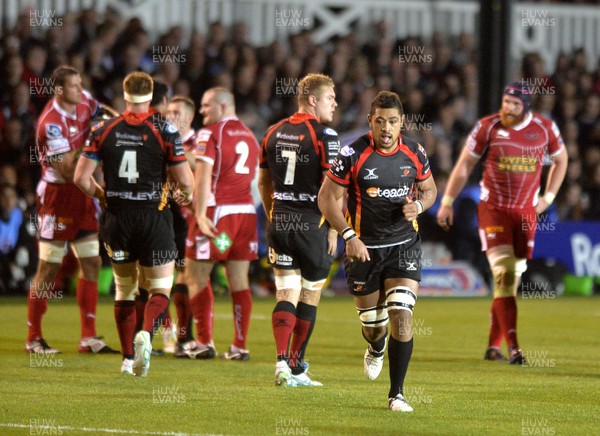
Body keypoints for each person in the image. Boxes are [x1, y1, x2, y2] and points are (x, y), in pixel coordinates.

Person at [318, 91, 437, 411]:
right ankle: (376, 347)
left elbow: (430, 190)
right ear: (370, 120)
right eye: (380, 121)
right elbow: (326, 199)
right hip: (363, 250)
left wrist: (419, 206)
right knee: (374, 326)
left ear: (402, 124)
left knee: (402, 314)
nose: (386, 128)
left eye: (393, 122)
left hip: (403, 246)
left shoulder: (415, 152)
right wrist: (348, 235)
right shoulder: (351, 154)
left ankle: (396, 394)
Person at [436, 82, 568, 364]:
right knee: (505, 276)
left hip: (524, 215)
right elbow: (464, 165)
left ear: (526, 108)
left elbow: (562, 159)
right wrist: (447, 201)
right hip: (494, 211)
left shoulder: (544, 128)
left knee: (507, 283)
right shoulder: (487, 127)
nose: (507, 107)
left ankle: (492, 346)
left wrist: (548, 197)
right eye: (505, 101)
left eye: (514, 104)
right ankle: (515, 348)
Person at [74, 71, 194, 376]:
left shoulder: (103, 129)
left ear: (124, 94)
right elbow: (185, 179)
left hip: (117, 218)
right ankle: (147, 334)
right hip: (153, 216)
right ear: (151, 94)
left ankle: (127, 359)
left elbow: (80, 178)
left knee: (123, 289)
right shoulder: (164, 129)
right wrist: (185, 193)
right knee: (160, 288)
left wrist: (101, 195)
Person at [25, 65, 118, 355]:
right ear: (60, 90)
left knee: (91, 262)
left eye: (81, 84)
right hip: (58, 196)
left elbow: (106, 114)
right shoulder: (50, 124)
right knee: (49, 268)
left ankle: (88, 337)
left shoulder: (85, 101)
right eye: (75, 86)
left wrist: (121, 126)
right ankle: (34, 337)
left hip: (84, 195)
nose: (81, 90)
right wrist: (93, 136)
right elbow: (66, 171)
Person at [258, 73, 340, 387]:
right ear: (312, 99)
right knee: (309, 294)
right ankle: (296, 367)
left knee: (285, 293)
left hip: (280, 222)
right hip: (312, 224)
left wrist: (272, 215)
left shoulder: (273, 132)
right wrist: (335, 228)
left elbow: (263, 182)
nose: (334, 103)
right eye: (330, 97)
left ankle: (281, 363)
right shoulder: (325, 136)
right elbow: (332, 189)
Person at [184, 87, 259, 360]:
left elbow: (203, 176)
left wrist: (201, 213)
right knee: (238, 280)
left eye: (206, 106)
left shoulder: (209, 134)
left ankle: (204, 342)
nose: (202, 111)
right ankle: (240, 346)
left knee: (196, 274)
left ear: (224, 106)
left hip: (218, 217)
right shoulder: (251, 137)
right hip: (245, 218)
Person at [165, 95, 199, 354]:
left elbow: (198, 163)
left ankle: (188, 337)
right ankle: (171, 335)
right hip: (167, 215)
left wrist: (172, 150)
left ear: (190, 116)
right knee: (160, 277)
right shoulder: (164, 138)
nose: (171, 116)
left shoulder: (200, 141)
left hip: (195, 218)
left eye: (177, 112)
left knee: (189, 276)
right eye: (169, 111)